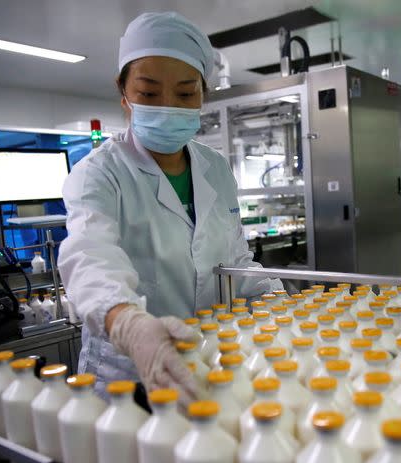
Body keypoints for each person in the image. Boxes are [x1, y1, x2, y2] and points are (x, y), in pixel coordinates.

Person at [58, 12, 282, 405]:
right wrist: (129, 324)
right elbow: (90, 258)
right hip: (124, 379)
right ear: (123, 91)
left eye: (184, 94)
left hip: (208, 362)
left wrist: (277, 303)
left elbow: (236, 261)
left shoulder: (214, 168)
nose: (167, 107)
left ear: (202, 95)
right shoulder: (98, 173)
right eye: (148, 93)